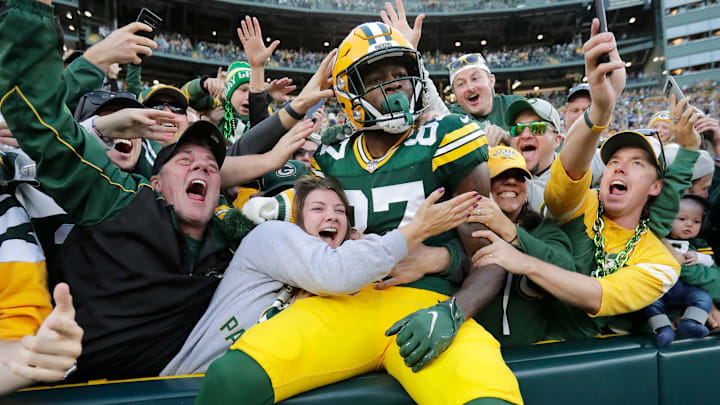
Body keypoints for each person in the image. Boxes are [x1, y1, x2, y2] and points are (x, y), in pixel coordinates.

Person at [197, 21, 522, 405]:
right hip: (346, 302)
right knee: (232, 379)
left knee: (488, 401)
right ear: (350, 92)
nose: (395, 86)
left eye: (400, 75)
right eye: (377, 78)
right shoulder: (331, 157)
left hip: (430, 306)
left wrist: (453, 312)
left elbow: (491, 255)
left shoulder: (447, 137)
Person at [0, 0, 242, 382]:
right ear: (155, 180)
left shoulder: (238, 240)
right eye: (184, 160)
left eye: (212, 166)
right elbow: (45, 126)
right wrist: (31, 11)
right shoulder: (121, 200)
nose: (201, 167)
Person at [471, 20, 701, 340]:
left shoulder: (661, 260)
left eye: (636, 163)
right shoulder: (584, 204)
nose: (619, 168)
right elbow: (571, 166)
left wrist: (524, 260)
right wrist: (600, 110)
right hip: (529, 341)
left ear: (654, 186)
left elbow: (597, 295)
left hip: (592, 362)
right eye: (614, 161)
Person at [161, 176, 478, 376]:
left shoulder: (344, 260)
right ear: (295, 220)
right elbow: (335, 272)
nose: (331, 215)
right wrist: (416, 229)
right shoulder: (270, 236)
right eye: (318, 209)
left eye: (340, 211)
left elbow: (357, 261)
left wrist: (443, 256)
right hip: (191, 386)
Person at [469, 146, 575, 346]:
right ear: (482, 184)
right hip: (475, 355)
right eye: (499, 176)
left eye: (519, 177)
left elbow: (569, 274)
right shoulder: (464, 229)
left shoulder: (544, 229)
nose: (511, 182)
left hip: (532, 354)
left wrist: (510, 232)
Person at [646, 195, 718, 345]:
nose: (689, 225)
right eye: (682, 219)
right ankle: (663, 329)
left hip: (683, 291)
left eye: (696, 221)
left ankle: (690, 323)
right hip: (658, 289)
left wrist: (696, 258)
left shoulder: (699, 244)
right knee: (650, 302)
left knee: (703, 298)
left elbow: (710, 264)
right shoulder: (655, 238)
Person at [447, 52, 525, 147]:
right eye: (461, 84)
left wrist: (506, 136)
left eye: (475, 79)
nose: (470, 88)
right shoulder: (451, 117)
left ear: (491, 81)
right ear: (455, 93)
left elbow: (538, 140)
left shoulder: (515, 105)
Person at [503, 98, 563, 211]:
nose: (525, 135)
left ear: (557, 140)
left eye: (537, 128)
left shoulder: (570, 172)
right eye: (517, 129)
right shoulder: (501, 172)